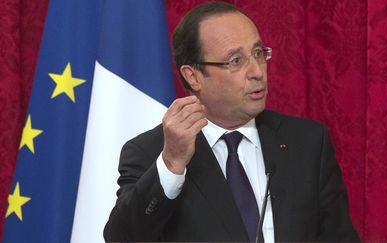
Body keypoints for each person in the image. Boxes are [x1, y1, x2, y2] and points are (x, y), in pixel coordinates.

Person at [103, 2, 360, 242]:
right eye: (236, 61)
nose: (257, 72)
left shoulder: (307, 142)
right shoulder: (151, 152)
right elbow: (123, 238)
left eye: (258, 53)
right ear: (193, 77)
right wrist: (172, 164)